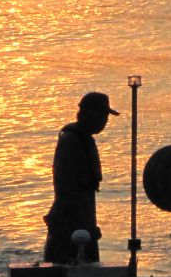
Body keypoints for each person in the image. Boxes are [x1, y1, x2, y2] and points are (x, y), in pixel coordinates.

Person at [43, 91, 119, 264]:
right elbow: (67, 189)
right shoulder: (71, 141)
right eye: (103, 116)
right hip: (69, 225)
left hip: (83, 221)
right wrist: (81, 226)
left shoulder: (84, 140)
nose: (105, 122)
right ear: (91, 114)